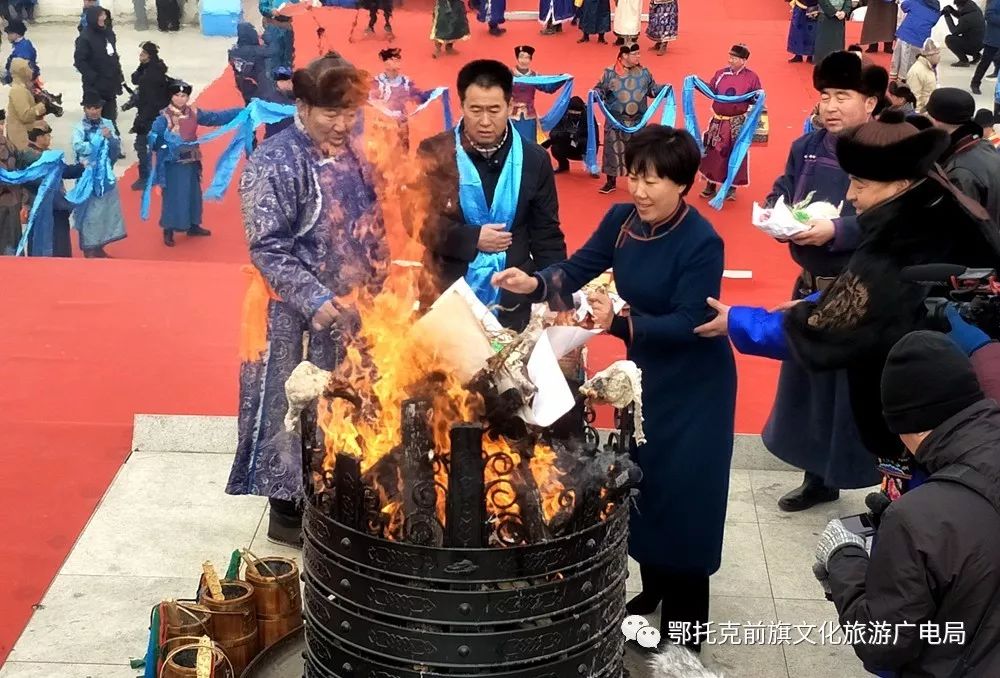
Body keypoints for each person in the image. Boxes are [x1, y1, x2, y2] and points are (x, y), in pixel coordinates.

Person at [492, 125, 736, 653]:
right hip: (645, 379)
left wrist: (622, 325)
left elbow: (694, 320)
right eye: (634, 176)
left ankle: (687, 630)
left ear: (684, 185)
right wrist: (534, 283)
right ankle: (652, 594)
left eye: (654, 181)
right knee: (644, 482)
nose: (640, 190)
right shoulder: (623, 220)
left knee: (686, 499)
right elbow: (579, 266)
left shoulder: (701, 241)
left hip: (695, 385)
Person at [697, 113, 1000, 497]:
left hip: (932, 402)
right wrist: (815, 300)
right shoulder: (936, 211)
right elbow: (863, 295)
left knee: (925, 502)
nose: (851, 195)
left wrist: (738, 321)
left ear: (901, 184)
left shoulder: (898, 244)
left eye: (860, 183)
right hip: (953, 383)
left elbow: (828, 330)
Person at [227, 54, 388, 546]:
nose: (341, 125)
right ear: (301, 106)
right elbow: (267, 246)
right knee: (291, 405)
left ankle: (339, 500)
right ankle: (288, 510)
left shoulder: (357, 152)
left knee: (349, 404)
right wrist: (313, 296)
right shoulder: (275, 160)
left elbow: (373, 226)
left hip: (353, 310)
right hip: (293, 316)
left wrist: (380, 284)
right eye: (330, 114)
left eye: (349, 113)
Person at [742, 51, 889, 512]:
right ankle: (817, 478)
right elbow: (785, 187)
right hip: (808, 281)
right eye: (825, 96)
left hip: (857, 290)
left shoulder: (885, 151)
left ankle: (885, 483)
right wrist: (773, 211)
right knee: (810, 387)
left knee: (857, 393)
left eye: (842, 96)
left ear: (870, 103)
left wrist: (837, 230)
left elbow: (891, 221)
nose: (830, 106)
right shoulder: (806, 145)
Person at [814, 331, 1000, 677]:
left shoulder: (917, 517)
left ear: (907, 427)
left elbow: (882, 644)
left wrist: (844, 560)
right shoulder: (927, 512)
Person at [414, 59, 567, 331]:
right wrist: (472, 238)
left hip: (511, 299)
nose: (485, 121)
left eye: (494, 110)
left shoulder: (535, 160)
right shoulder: (434, 153)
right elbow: (417, 221)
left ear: (510, 107)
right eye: (475, 110)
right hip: (446, 292)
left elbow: (547, 234)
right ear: (462, 107)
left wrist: (560, 300)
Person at [148, 81, 242, 247]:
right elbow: (153, 139)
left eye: (183, 96)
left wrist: (241, 111)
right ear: (171, 96)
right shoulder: (163, 118)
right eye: (177, 95)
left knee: (193, 193)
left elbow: (216, 117)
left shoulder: (194, 112)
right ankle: (168, 229)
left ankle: (193, 224)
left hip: (191, 160)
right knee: (173, 196)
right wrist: (163, 144)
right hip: (173, 163)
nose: (180, 99)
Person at [594, 44, 664, 194]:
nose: (639, 57)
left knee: (639, 153)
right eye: (635, 54)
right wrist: (596, 94)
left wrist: (665, 89)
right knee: (613, 151)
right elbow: (600, 90)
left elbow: (652, 90)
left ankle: (641, 181)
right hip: (616, 121)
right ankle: (610, 181)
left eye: (639, 53)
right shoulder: (610, 73)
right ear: (624, 55)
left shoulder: (644, 73)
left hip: (638, 122)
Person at [698, 44, 762, 204]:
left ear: (743, 61)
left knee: (736, 152)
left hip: (737, 121)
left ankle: (732, 186)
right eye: (730, 57)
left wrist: (758, 98)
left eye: (733, 58)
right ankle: (710, 184)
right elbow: (710, 90)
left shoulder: (752, 78)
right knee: (712, 151)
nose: (730, 60)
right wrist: (697, 83)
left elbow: (756, 98)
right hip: (718, 120)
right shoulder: (721, 74)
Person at [926, 87, 1000, 225]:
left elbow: (960, 226)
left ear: (936, 120)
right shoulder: (984, 144)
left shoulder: (959, 173)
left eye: (928, 115)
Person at [16, 125, 85, 258]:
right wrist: (81, 168)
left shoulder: (36, 154)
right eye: (47, 135)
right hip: (44, 202)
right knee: (53, 239)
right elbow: (61, 172)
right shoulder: (33, 157)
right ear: (39, 137)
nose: (49, 138)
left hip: (48, 202)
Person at [71, 94, 127, 258]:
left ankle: (100, 245)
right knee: (90, 213)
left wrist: (109, 138)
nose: (94, 111)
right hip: (88, 176)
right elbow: (78, 146)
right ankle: (89, 247)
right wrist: (97, 141)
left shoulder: (108, 124)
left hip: (105, 175)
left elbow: (116, 148)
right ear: (85, 109)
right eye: (90, 108)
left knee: (106, 211)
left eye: (96, 108)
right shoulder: (79, 128)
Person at [74, 6, 124, 134]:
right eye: (100, 15)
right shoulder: (85, 38)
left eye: (104, 15)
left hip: (110, 83)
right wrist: (93, 77)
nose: (103, 18)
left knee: (111, 114)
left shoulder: (108, 33)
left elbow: (113, 55)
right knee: (95, 116)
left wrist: (119, 75)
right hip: (95, 86)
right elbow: (80, 61)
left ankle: (113, 139)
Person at [369, 47, 430, 151]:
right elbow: (372, 101)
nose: (397, 61)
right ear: (386, 63)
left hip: (401, 119)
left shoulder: (405, 81)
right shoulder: (377, 82)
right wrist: (389, 113)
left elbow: (416, 95)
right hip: (382, 120)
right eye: (393, 59)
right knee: (380, 149)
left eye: (398, 59)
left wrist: (430, 95)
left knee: (403, 146)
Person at [129, 41, 170, 190]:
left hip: (150, 115)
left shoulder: (152, 76)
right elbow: (134, 79)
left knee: (142, 145)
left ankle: (145, 176)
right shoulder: (149, 70)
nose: (140, 56)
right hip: (152, 113)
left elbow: (150, 100)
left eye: (143, 54)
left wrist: (140, 121)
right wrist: (141, 65)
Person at [509, 45, 561, 142]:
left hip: (529, 116)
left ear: (530, 60)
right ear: (517, 58)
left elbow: (548, 88)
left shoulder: (535, 76)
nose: (523, 60)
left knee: (529, 143)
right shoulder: (508, 74)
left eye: (526, 57)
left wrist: (561, 79)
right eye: (521, 57)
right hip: (511, 116)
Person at [541, 95, 595, 173]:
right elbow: (553, 133)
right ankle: (563, 165)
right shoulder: (563, 115)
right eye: (572, 113)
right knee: (554, 145)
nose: (574, 116)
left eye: (577, 114)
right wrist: (565, 134)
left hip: (583, 148)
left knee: (586, 143)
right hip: (568, 144)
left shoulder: (589, 117)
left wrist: (576, 137)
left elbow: (594, 138)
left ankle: (591, 166)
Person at [893, 0, 941, 82]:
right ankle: (909, 78)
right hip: (921, 39)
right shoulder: (936, 12)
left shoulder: (915, 2)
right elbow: (933, 23)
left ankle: (901, 79)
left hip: (907, 34)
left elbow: (904, 6)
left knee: (901, 58)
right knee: (914, 61)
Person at [5, 57, 45, 150]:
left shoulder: (22, 88)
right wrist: (39, 108)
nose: (31, 70)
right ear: (22, 71)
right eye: (28, 67)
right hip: (20, 140)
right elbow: (25, 116)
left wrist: (37, 123)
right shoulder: (18, 90)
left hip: (24, 134)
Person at [229, 22, 272, 106]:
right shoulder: (256, 51)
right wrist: (265, 35)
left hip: (243, 83)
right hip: (259, 85)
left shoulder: (234, 51)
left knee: (249, 102)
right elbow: (274, 50)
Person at [0, 111, 20, 255]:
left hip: (10, 199)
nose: (0, 127)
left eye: (1, 123)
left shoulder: (10, 145)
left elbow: (19, 167)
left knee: (11, 239)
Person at [942, 0, 985, 67]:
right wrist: (952, 10)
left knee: (950, 39)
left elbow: (954, 31)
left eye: (957, 7)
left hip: (973, 45)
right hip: (981, 44)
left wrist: (947, 15)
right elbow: (962, 15)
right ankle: (977, 55)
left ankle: (963, 61)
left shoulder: (966, 18)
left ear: (960, 6)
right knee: (971, 38)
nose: (957, 8)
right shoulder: (975, 9)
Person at [972, 0, 1000, 94]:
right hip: (994, 38)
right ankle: (975, 83)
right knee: (985, 62)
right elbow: (989, 15)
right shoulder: (996, 2)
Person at [905, 38, 939, 112]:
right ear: (929, 55)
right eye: (937, 54)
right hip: (922, 113)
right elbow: (914, 97)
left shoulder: (930, 67)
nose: (939, 57)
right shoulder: (916, 71)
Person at [262, 66, 295, 140]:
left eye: (289, 80)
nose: (288, 83)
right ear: (277, 82)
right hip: (277, 138)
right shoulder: (271, 99)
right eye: (283, 81)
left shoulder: (300, 95)